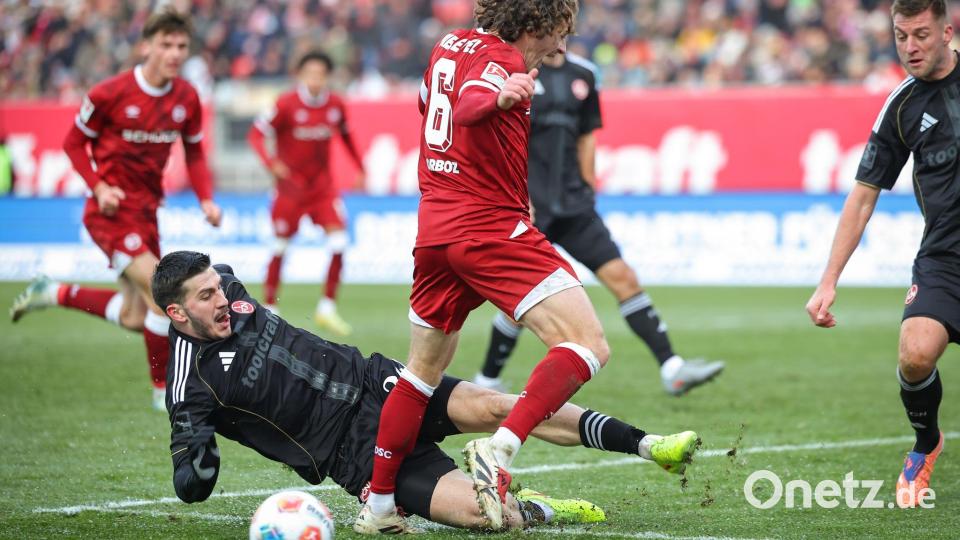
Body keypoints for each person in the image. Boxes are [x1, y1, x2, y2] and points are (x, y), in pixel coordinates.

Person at [154, 250, 701, 532]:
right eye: (205, 297)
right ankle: (541, 509)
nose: (222, 299)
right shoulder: (191, 386)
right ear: (177, 313)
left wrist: (217, 280)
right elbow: (190, 486)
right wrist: (198, 466)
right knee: (488, 519)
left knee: (499, 406)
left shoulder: (227, 287)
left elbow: (219, 276)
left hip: (375, 382)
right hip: (350, 453)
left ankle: (650, 445)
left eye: (218, 287)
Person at [361, 1, 624, 533]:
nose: (562, 45)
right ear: (534, 25)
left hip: (434, 231)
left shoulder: (448, 46)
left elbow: (432, 105)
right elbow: (472, 103)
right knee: (587, 343)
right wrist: (500, 94)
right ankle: (500, 449)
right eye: (558, 32)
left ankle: (380, 506)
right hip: (486, 228)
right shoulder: (499, 59)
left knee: (419, 376)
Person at [471, 51, 724, 397]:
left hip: (575, 206)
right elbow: (501, 138)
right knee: (522, 304)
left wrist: (589, 184)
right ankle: (487, 380)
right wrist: (516, 194)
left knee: (624, 277)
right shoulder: (519, 70)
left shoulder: (584, 74)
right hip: (531, 207)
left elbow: (587, 135)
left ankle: (672, 368)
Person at [9, 9, 221, 411]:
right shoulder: (110, 93)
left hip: (146, 212)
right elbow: (73, 143)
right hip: (110, 212)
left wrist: (205, 197)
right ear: (146, 46)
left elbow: (194, 151)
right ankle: (165, 392)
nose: (174, 53)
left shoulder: (186, 98)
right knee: (164, 294)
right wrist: (99, 185)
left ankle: (53, 292)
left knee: (132, 316)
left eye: (181, 46)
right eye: (166, 44)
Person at [805, 0, 954, 509]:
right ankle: (925, 442)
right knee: (914, 355)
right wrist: (828, 280)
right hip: (945, 259)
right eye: (900, 36)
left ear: (947, 31)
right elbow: (863, 195)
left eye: (921, 35)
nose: (910, 47)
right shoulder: (901, 106)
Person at [248, 51, 365, 336]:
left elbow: (346, 135)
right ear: (301, 75)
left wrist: (359, 167)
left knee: (339, 242)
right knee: (280, 247)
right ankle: (270, 308)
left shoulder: (335, 105)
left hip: (322, 188)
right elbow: (256, 134)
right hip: (290, 189)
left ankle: (326, 309)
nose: (315, 79)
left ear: (327, 76)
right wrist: (271, 163)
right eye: (310, 73)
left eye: (320, 74)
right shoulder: (285, 103)